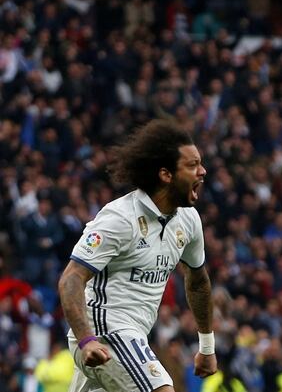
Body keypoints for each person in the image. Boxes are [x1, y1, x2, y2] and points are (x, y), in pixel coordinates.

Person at [58, 119, 216, 392]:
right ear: (166, 174)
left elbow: (198, 280)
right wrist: (87, 340)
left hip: (130, 339)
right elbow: (71, 278)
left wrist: (207, 346)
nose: (202, 171)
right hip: (105, 332)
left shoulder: (188, 220)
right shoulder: (120, 218)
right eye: (192, 165)